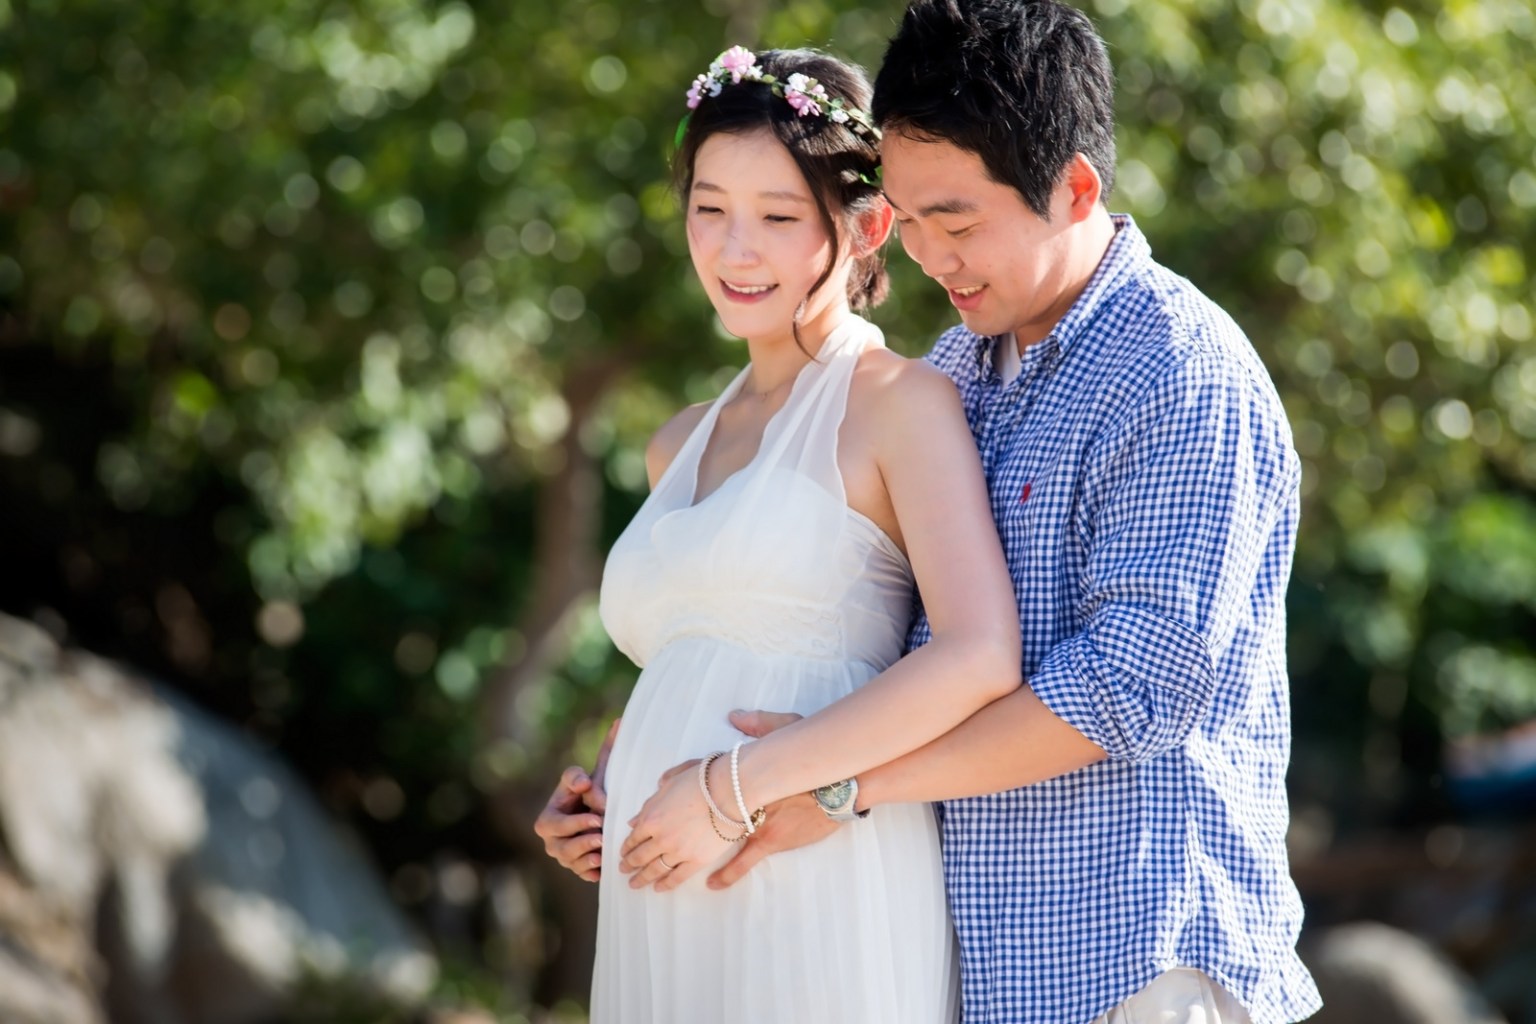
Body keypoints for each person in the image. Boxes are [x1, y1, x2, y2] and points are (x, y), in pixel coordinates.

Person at [543, 2, 1326, 1022]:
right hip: (990, 961)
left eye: (955, 223)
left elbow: (1132, 685)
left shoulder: (1177, 369)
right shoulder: (962, 368)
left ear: (1075, 188)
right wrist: (636, 763)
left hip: (1142, 955)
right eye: (907, 223)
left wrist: (829, 786)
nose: (924, 256)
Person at [571, 45, 1022, 1024]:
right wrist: (605, 786)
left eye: (778, 218)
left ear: (865, 228)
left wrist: (729, 787)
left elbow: (981, 652)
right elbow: (700, 657)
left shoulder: (899, 404)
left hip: (815, 868)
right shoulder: (675, 442)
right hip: (661, 880)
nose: (736, 250)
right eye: (709, 208)